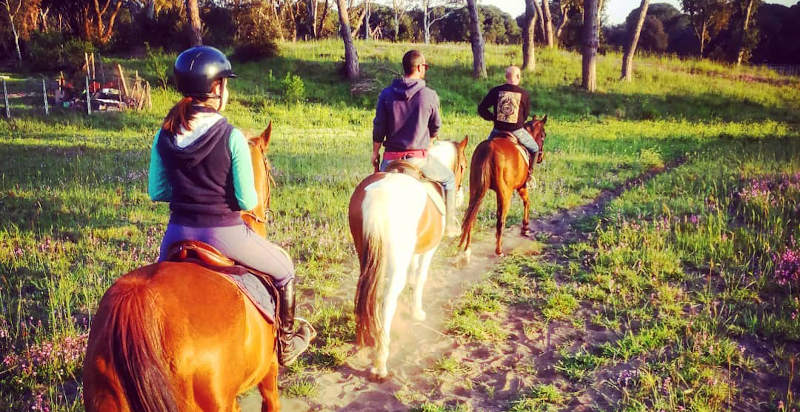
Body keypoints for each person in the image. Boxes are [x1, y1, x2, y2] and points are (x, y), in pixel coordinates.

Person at [148, 46, 314, 366]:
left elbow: (157, 191)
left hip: (176, 233)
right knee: (284, 270)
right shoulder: (231, 136)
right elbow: (247, 201)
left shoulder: (164, 133)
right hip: (222, 233)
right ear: (216, 88)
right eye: (226, 83)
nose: (227, 89)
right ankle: (287, 342)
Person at [371, 49, 459, 237]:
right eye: (424, 67)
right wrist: (430, 142)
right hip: (417, 160)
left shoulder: (386, 94)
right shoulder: (429, 95)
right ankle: (450, 225)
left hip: (390, 161)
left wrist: (375, 153)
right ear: (419, 68)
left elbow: (379, 127)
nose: (425, 70)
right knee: (450, 179)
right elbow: (436, 125)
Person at [478, 66, 539, 177]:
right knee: (535, 148)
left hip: (497, 130)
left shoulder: (495, 91)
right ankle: (529, 174)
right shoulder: (524, 94)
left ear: (506, 77)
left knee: (484, 151)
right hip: (516, 131)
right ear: (518, 77)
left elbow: (481, 109)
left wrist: (493, 117)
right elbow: (525, 116)